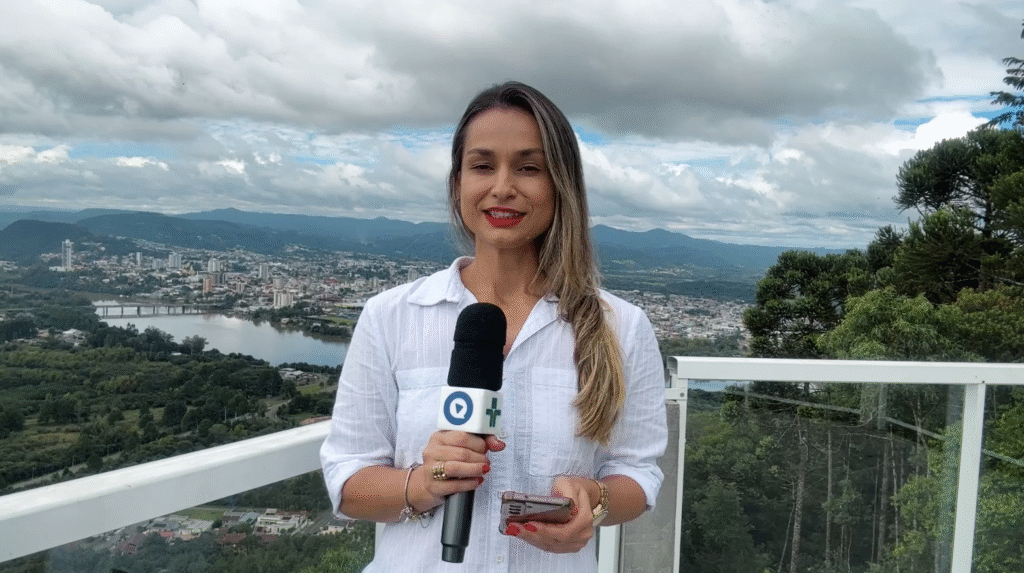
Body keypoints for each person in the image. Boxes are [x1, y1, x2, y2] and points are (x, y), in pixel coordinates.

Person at [320, 81, 667, 571]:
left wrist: (596, 499)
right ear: (457, 181)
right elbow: (349, 482)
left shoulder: (622, 328)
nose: (503, 186)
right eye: (482, 165)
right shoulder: (392, 317)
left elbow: (638, 475)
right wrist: (422, 483)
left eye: (529, 167)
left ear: (561, 184)